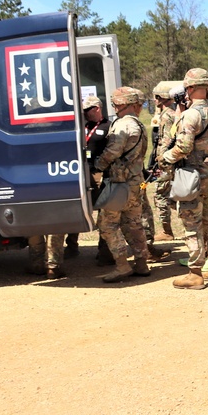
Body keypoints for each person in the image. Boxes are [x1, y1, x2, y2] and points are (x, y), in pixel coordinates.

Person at [162, 68, 208, 291]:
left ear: (189, 88)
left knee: (192, 222)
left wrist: (165, 158)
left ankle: (195, 272)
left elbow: (183, 146)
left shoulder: (190, 115)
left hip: (191, 175)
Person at [92, 87, 151, 283]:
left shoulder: (122, 126)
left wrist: (96, 166)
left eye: (115, 104)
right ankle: (142, 263)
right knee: (134, 223)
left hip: (120, 184)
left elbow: (112, 152)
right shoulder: (139, 125)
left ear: (122, 104)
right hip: (135, 182)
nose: (114, 107)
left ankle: (122, 265)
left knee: (107, 224)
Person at [66, 95, 111, 262]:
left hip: (98, 174)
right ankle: (71, 246)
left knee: (104, 212)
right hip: (81, 173)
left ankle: (104, 250)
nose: (84, 113)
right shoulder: (83, 127)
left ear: (97, 108)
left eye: (87, 110)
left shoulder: (108, 127)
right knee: (76, 208)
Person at [150, 82, 179, 242]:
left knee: (160, 195)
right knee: (171, 195)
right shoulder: (171, 113)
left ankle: (167, 231)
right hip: (170, 160)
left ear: (161, 98)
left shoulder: (167, 115)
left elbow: (167, 140)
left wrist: (161, 159)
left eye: (156, 98)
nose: (154, 101)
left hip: (166, 162)